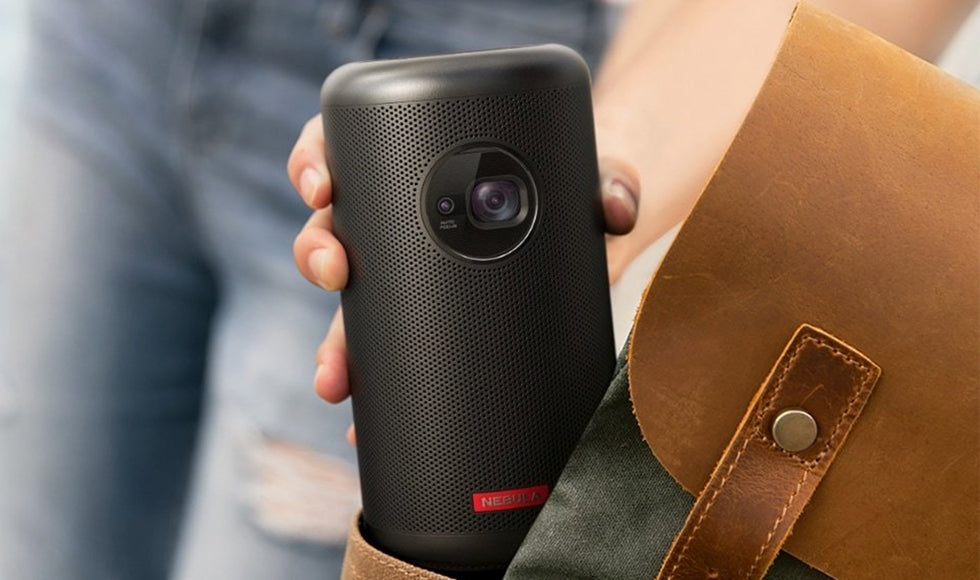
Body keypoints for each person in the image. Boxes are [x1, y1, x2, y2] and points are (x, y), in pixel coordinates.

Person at [0, 2, 972, 580]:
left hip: (477, 69)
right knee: (47, 541)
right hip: (104, 49)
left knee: (412, 533)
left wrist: (587, 158)